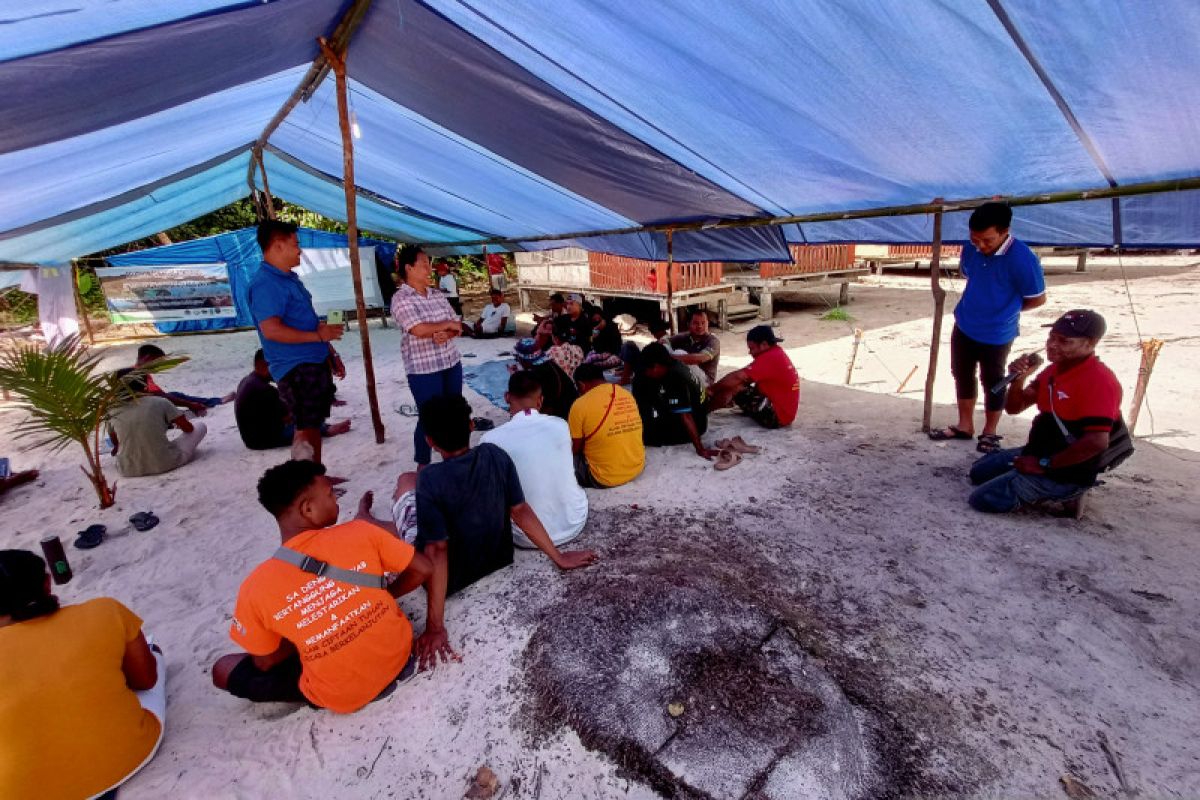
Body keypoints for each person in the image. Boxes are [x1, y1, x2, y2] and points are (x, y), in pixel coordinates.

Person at [212, 460, 433, 712]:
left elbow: (266, 661)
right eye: (331, 494)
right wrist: (385, 594)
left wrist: (310, 630)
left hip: (342, 694)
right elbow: (423, 568)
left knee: (223, 669)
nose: (336, 500)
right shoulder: (360, 532)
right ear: (307, 509)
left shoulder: (255, 587)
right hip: (399, 654)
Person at [402, 395, 598, 667]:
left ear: (429, 441)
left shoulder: (430, 478)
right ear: (471, 426)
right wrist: (558, 556)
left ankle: (369, 519)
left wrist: (435, 626)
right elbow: (520, 510)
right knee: (413, 490)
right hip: (497, 557)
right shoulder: (495, 454)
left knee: (404, 484)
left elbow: (437, 549)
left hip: (454, 577)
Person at [0, 549, 166, 799]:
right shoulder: (105, 610)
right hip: (127, 754)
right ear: (47, 583)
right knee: (154, 652)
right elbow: (146, 680)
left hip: (21, 791)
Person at [968, 310, 1131, 517]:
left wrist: (1044, 465)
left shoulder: (1100, 381)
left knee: (983, 499)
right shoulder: (1055, 370)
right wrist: (1019, 379)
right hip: (1042, 452)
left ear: (1090, 343)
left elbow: (1097, 442)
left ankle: (1069, 492)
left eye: (1064, 341)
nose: (1052, 345)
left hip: (1067, 468)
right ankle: (1027, 473)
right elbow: (1015, 407)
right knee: (979, 472)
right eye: (1051, 337)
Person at [929, 202, 1047, 453]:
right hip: (965, 323)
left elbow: (1037, 298)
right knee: (961, 373)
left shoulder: (1023, 259)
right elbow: (971, 275)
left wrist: (1004, 311)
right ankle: (965, 425)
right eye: (975, 239)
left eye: (987, 240)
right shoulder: (971, 248)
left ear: (1005, 231)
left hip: (997, 332)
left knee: (993, 380)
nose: (980, 246)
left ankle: (990, 431)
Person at [247, 220, 346, 465]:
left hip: (312, 360)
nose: (299, 250)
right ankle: (307, 482)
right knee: (305, 427)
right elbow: (271, 330)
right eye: (295, 244)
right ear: (278, 246)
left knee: (312, 425)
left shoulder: (288, 279)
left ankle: (314, 475)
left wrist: (329, 351)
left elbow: (308, 322)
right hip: (296, 367)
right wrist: (318, 337)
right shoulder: (265, 284)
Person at [481, 371, 588, 548]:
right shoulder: (561, 425)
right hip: (574, 521)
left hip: (525, 536)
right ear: (540, 401)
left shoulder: (490, 439)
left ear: (507, 397)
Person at [390, 244, 464, 468]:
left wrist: (448, 333)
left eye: (428, 263)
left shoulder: (437, 295)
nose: (428, 267)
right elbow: (418, 329)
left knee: (454, 413)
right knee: (429, 418)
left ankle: (453, 460)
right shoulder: (401, 298)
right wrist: (446, 325)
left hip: (450, 362)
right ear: (409, 268)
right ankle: (423, 464)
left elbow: (457, 327)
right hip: (423, 370)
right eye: (423, 263)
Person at [234, 349, 351, 450]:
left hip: (251, 438)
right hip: (263, 439)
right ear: (264, 366)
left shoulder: (247, 381)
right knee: (306, 424)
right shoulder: (265, 389)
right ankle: (326, 430)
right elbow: (288, 417)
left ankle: (324, 427)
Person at [109, 370, 207, 477]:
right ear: (144, 383)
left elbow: (116, 444)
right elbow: (188, 429)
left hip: (128, 470)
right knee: (200, 426)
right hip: (165, 463)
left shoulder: (111, 411)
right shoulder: (160, 401)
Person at [632, 343, 718, 459]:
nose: (645, 372)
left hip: (694, 425)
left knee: (643, 435)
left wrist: (700, 449)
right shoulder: (672, 363)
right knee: (640, 381)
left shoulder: (675, 378)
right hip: (688, 412)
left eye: (647, 369)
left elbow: (686, 416)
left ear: (657, 366)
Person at [709, 325, 800, 429]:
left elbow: (738, 377)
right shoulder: (776, 352)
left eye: (752, 348)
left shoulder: (770, 358)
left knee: (736, 387)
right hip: (784, 413)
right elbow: (747, 378)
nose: (750, 352)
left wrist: (712, 389)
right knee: (739, 384)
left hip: (777, 417)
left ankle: (703, 410)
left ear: (764, 344)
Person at [569, 363, 645, 487]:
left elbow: (575, 449)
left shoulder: (579, 405)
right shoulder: (626, 393)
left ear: (581, 385)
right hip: (636, 467)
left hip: (602, 478)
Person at [134, 344, 233, 416]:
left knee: (175, 395)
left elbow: (159, 395)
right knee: (174, 398)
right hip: (146, 411)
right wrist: (190, 404)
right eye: (159, 362)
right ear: (148, 358)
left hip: (145, 406)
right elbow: (160, 396)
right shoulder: (138, 375)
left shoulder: (133, 371)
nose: (159, 366)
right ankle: (213, 402)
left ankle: (213, 401)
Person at [512, 338, 578, 419]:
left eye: (518, 358)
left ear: (524, 360)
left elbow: (538, 405)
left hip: (562, 414)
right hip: (570, 407)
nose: (517, 360)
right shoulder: (548, 365)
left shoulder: (538, 375)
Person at [669, 308, 721, 385]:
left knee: (678, 352)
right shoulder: (685, 336)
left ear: (708, 323)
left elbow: (700, 358)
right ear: (689, 324)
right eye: (696, 323)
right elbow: (665, 341)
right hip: (688, 376)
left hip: (705, 381)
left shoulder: (713, 341)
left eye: (703, 323)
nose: (700, 326)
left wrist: (669, 358)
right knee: (664, 348)